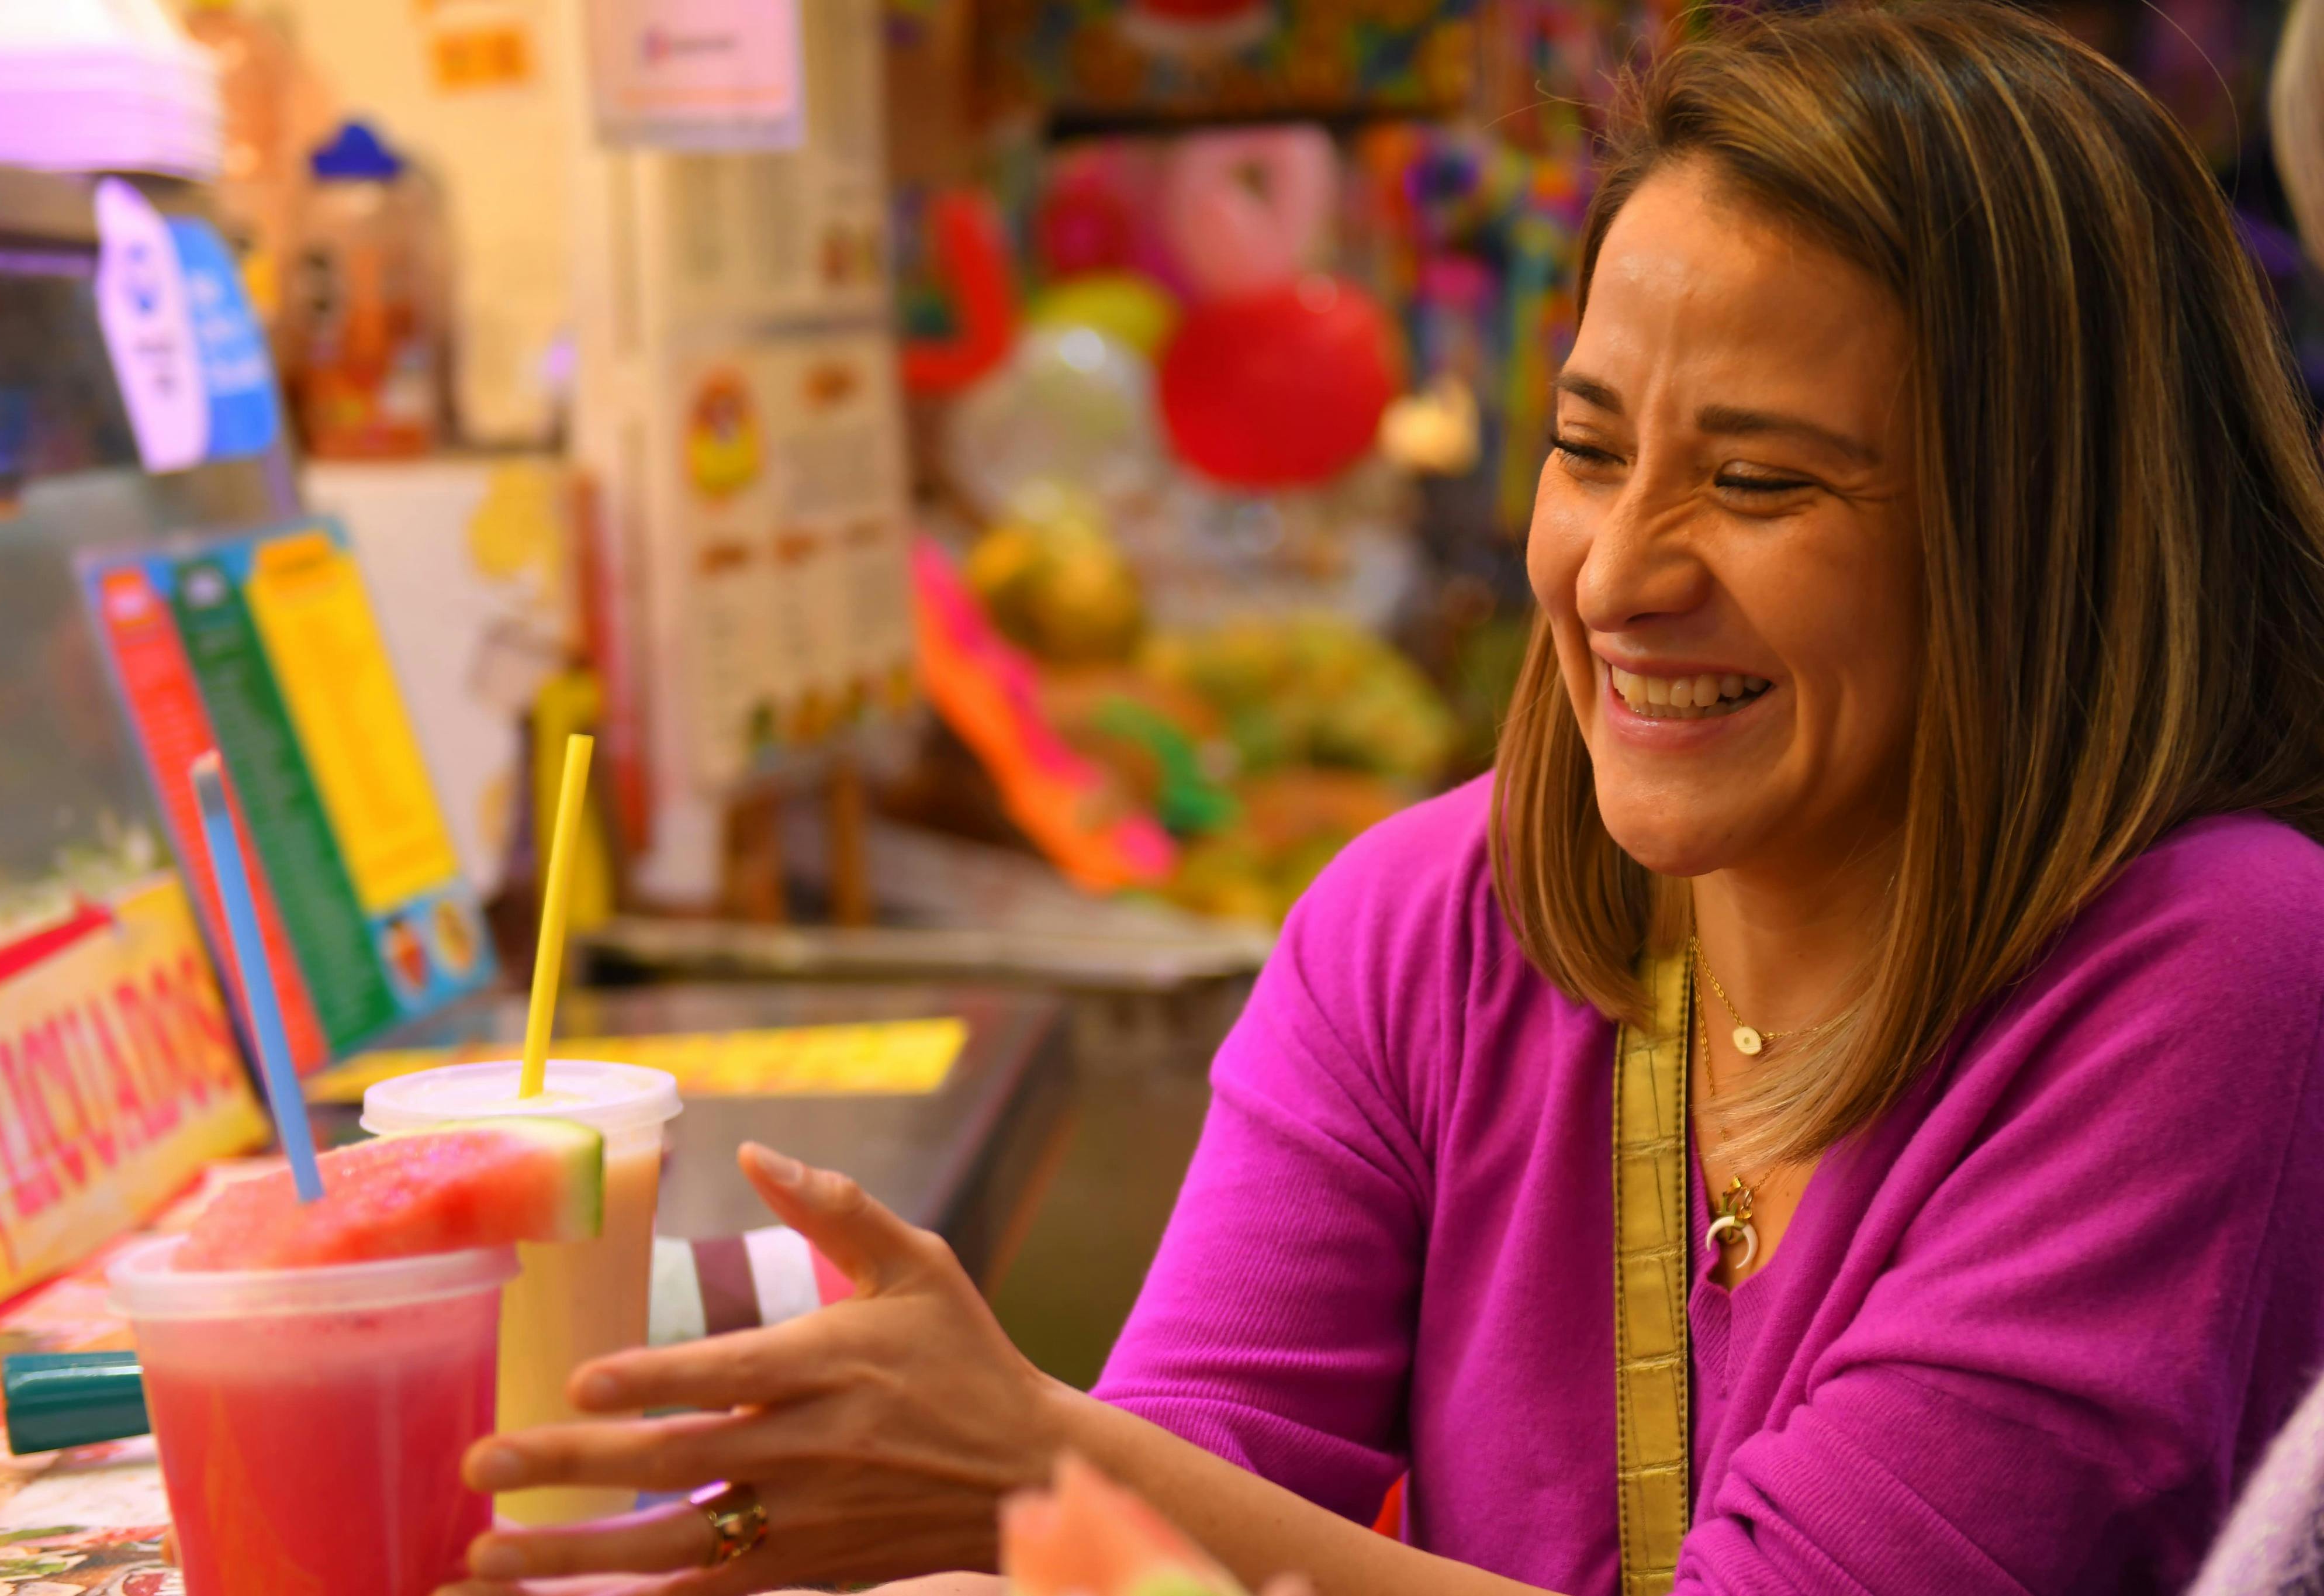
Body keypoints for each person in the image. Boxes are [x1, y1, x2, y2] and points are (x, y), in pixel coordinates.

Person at [434, 3, 2324, 1592]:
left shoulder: (2221, 965)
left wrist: (1036, 1470)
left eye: (1758, 483)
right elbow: (1193, 1477)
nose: (1616, 572)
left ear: (2041, 534)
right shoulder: (1423, 927)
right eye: (1589, 447)